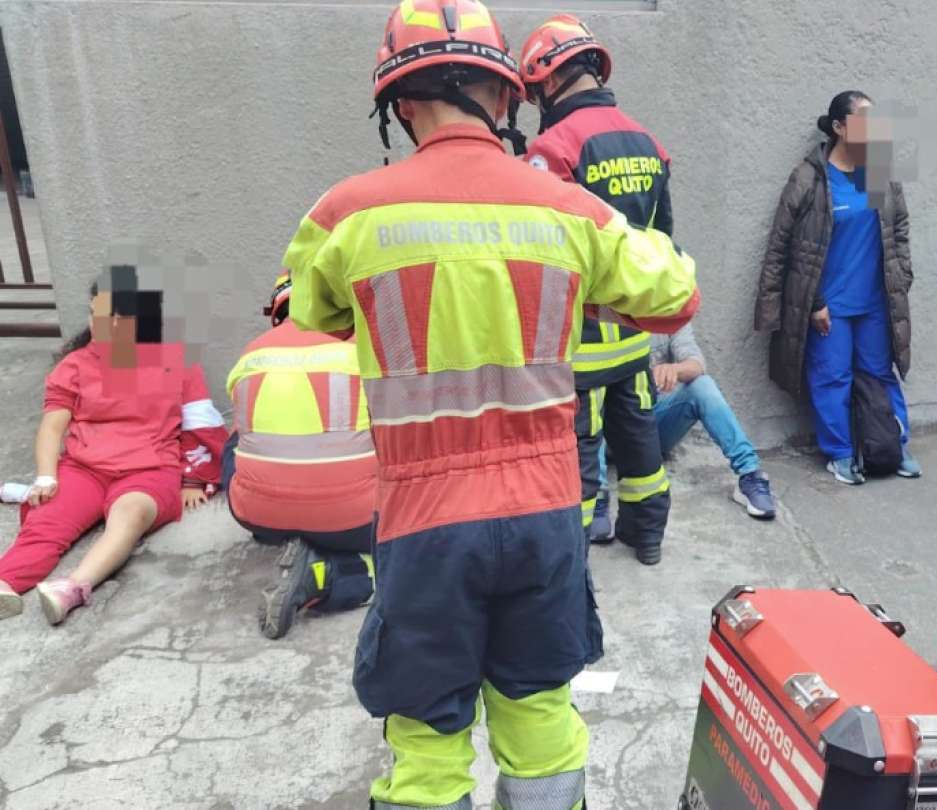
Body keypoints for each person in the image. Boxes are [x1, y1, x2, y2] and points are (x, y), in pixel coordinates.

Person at [281, 2, 699, 807]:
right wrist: (596, 286)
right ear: (506, 98)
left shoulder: (346, 211)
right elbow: (675, 293)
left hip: (423, 522)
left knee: (426, 737)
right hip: (547, 510)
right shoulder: (565, 208)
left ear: (400, 106)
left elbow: (313, 309)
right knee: (540, 709)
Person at [520, 14, 676, 565]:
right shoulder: (648, 141)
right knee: (640, 445)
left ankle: (575, 556)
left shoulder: (553, 148)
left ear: (549, 78)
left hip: (577, 346)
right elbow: (661, 243)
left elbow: (541, 252)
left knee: (579, 452)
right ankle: (648, 536)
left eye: (535, 89)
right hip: (634, 338)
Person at [0, 267, 227, 624]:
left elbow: (201, 423)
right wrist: (46, 476)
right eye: (95, 313)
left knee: (128, 516)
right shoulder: (74, 365)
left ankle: (73, 588)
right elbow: (52, 426)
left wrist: (196, 479)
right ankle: (5, 583)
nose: (100, 324)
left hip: (151, 471)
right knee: (47, 521)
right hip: (83, 469)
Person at [755, 91, 919, 486]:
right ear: (840, 128)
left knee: (880, 373)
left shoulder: (877, 168)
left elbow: (898, 227)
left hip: (876, 302)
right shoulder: (812, 178)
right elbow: (787, 244)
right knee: (832, 377)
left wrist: (902, 275)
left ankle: (894, 446)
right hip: (830, 305)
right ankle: (841, 453)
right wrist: (813, 302)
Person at [222, 271, 377, 639]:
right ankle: (331, 572)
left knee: (233, 440)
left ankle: (300, 534)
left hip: (260, 519)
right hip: (357, 521)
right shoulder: (367, 349)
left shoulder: (252, 352)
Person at [590, 323, 775, 540]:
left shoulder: (667, 311)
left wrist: (674, 370)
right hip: (604, 431)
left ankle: (750, 474)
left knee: (702, 385)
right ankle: (596, 498)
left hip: (649, 430)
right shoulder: (601, 310)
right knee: (592, 398)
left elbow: (696, 364)